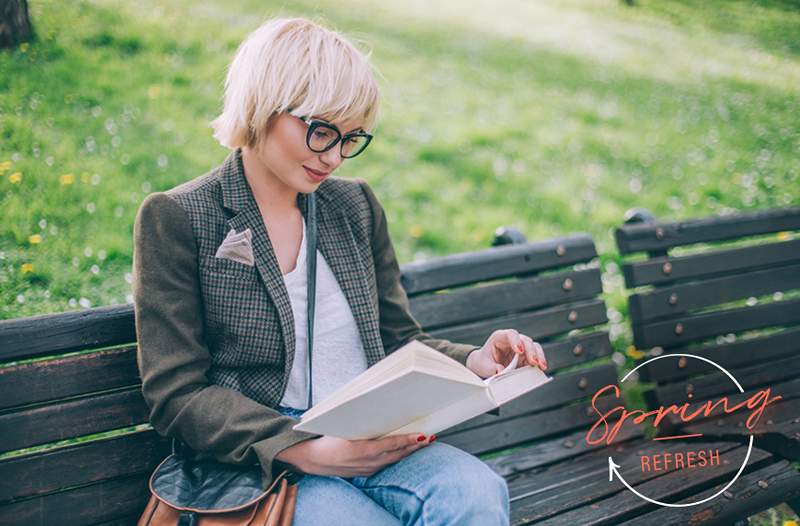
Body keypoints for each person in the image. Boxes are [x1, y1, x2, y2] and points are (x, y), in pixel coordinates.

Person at [132, 16, 548, 526]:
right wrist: (301, 447)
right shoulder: (179, 216)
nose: (334, 156)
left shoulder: (353, 207)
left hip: (372, 430)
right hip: (260, 456)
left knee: (476, 494)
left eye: (351, 138)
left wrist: (477, 362)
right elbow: (176, 395)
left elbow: (398, 341)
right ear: (263, 105)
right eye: (321, 131)